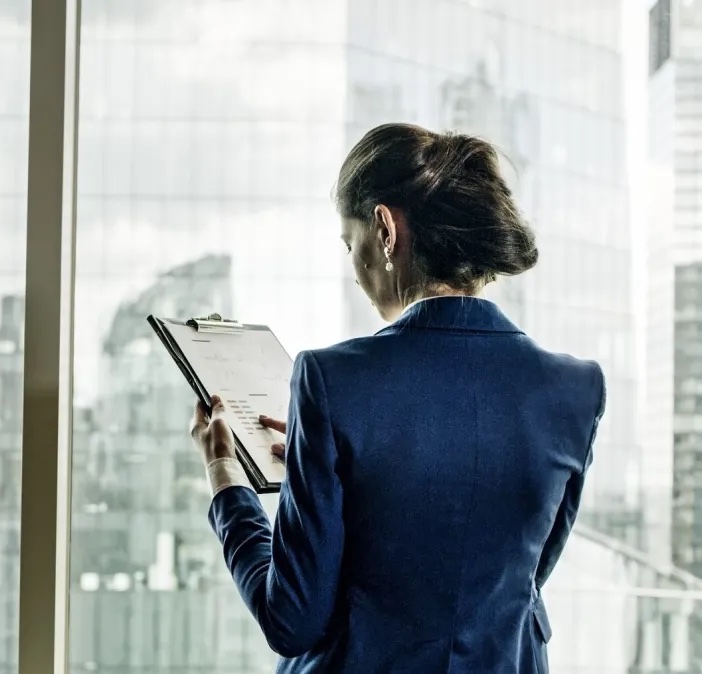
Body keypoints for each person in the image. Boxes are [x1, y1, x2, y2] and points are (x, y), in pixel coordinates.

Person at [189, 123, 606, 673]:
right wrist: (332, 469)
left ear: (385, 229)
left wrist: (225, 476)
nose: (356, 271)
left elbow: (291, 621)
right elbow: (512, 578)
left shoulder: (329, 378)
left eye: (350, 242)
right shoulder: (575, 390)